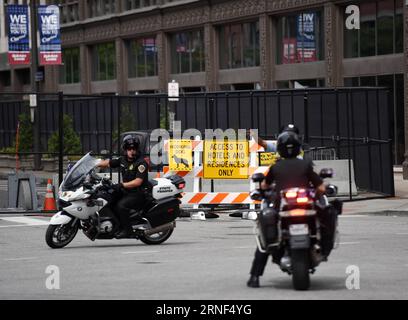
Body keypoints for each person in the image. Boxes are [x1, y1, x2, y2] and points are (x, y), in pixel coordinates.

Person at [247, 127, 334, 288]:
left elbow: (265, 185)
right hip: (296, 199)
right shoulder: (304, 162)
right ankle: (324, 242)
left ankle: (254, 276)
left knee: (266, 234)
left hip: (287, 201)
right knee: (267, 228)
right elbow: (320, 186)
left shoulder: (279, 165)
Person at [98, 135, 150, 239]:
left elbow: (138, 182)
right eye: (129, 149)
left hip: (138, 193)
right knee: (108, 197)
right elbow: (108, 163)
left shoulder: (141, 163)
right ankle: (116, 225)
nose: (132, 151)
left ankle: (128, 231)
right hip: (127, 191)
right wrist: (93, 164)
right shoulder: (123, 160)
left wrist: (121, 185)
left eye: (134, 149)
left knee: (120, 206)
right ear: (125, 149)